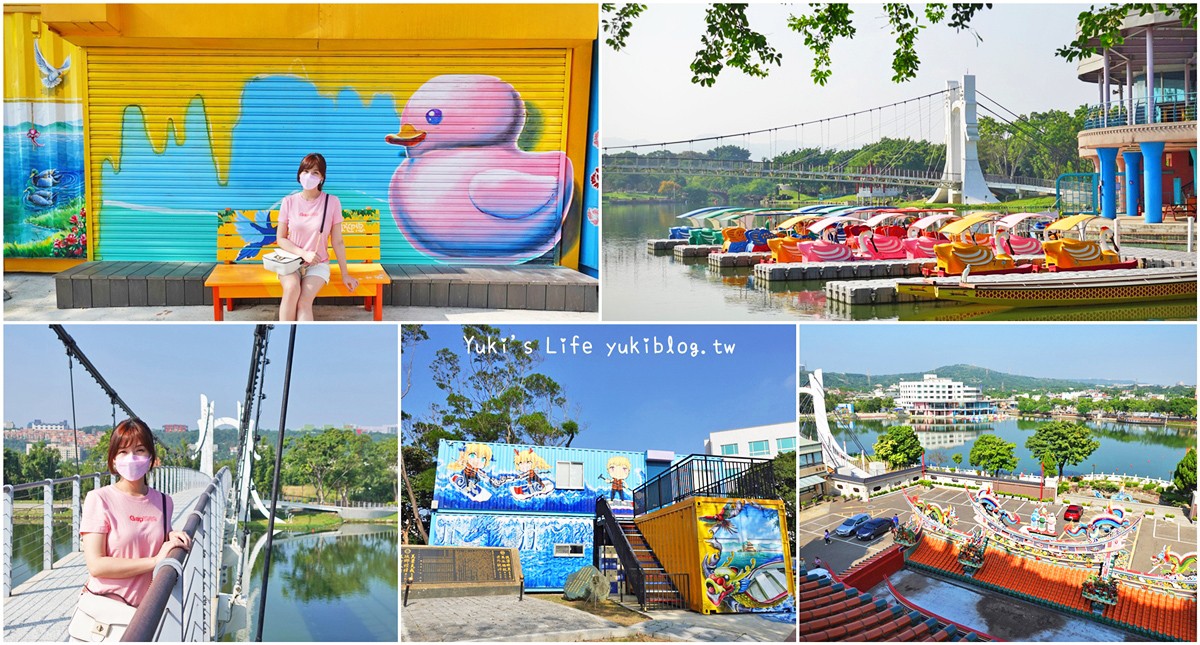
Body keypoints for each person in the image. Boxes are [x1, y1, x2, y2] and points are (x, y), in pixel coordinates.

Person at [77, 419, 192, 613]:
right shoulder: (99, 499)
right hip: (104, 610)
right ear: (113, 459)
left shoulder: (164, 502)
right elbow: (96, 565)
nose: (131, 457)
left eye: (139, 450)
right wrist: (155, 561)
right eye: (123, 451)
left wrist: (169, 533)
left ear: (150, 458)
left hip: (146, 612)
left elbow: (146, 536)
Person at [275, 153, 358, 321]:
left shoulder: (332, 202)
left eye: (315, 173)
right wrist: (303, 253)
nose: (309, 176)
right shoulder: (288, 202)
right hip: (290, 261)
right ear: (299, 174)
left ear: (322, 178)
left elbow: (338, 241)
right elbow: (281, 239)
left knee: (304, 302)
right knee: (291, 290)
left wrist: (345, 274)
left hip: (317, 264)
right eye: (305, 171)